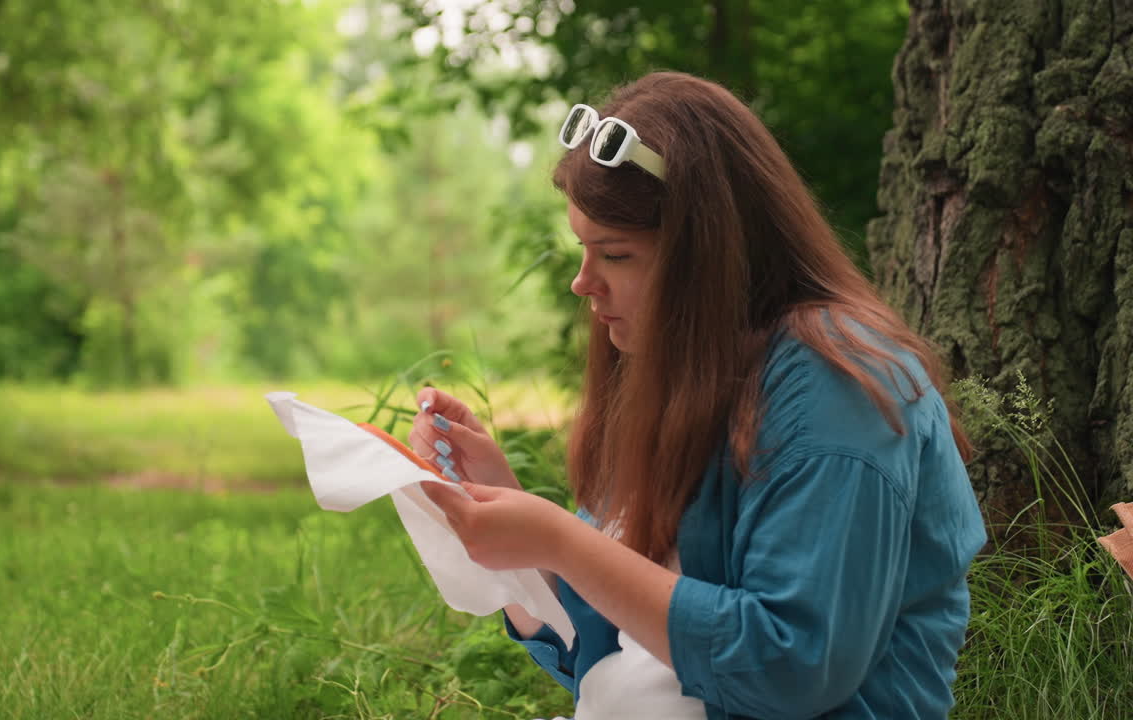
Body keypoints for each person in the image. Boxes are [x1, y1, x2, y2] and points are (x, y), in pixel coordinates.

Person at [408, 71, 986, 719]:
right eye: (582, 249)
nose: (583, 282)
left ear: (706, 254)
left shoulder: (840, 386)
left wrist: (562, 542)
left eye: (616, 255)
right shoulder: (684, 366)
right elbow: (614, 647)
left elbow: (790, 666)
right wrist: (515, 523)